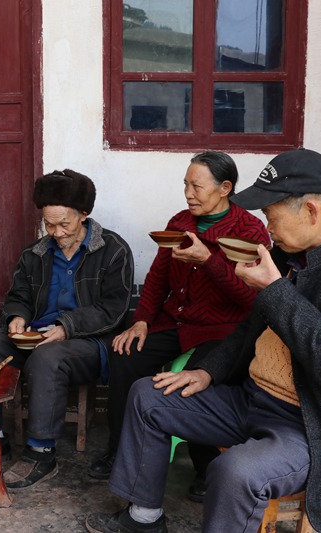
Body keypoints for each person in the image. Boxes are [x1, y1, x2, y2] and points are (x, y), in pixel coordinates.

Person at [85, 148, 321, 533]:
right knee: (148, 395)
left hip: (316, 426)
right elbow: (250, 326)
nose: (267, 228)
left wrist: (274, 290)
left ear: (310, 211)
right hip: (253, 400)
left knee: (234, 471)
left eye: (271, 216)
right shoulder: (291, 251)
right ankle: (144, 519)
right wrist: (207, 372)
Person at [89, 151, 270, 505]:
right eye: (185, 184)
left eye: (196, 186)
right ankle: (118, 448)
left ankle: (208, 466)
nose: (188, 193)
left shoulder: (249, 230)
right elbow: (158, 278)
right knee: (125, 354)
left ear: (225, 188)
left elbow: (252, 299)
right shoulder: (179, 222)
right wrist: (141, 320)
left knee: (196, 378)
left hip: (223, 330)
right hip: (176, 321)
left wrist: (209, 260)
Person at [0, 169, 134, 489]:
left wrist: (66, 327)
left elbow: (112, 310)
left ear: (83, 214)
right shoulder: (35, 253)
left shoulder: (113, 250)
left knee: (48, 357)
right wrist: (16, 317)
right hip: (36, 338)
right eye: (49, 224)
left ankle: (41, 453)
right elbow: (18, 297)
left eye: (65, 224)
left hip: (86, 343)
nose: (57, 232)